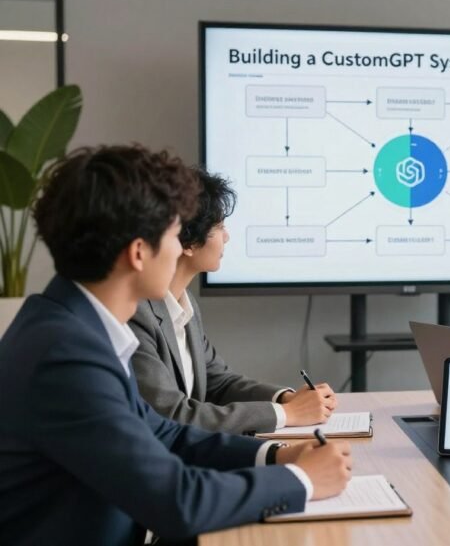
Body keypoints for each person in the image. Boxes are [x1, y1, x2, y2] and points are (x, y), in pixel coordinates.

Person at [0, 146, 352, 546]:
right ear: (137, 253)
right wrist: (302, 480)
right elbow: (177, 500)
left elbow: (165, 434)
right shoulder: (65, 357)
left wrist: (276, 456)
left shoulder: (75, 326)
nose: (179, 244)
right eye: (172, 233)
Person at [130, 168, 334, 434]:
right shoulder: (137, 313)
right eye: (219, 227)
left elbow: (218, 382)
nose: (227, 237)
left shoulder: (185, 302)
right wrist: (286, 414)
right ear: (188, 242)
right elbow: (170, 414)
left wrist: (285, 399)